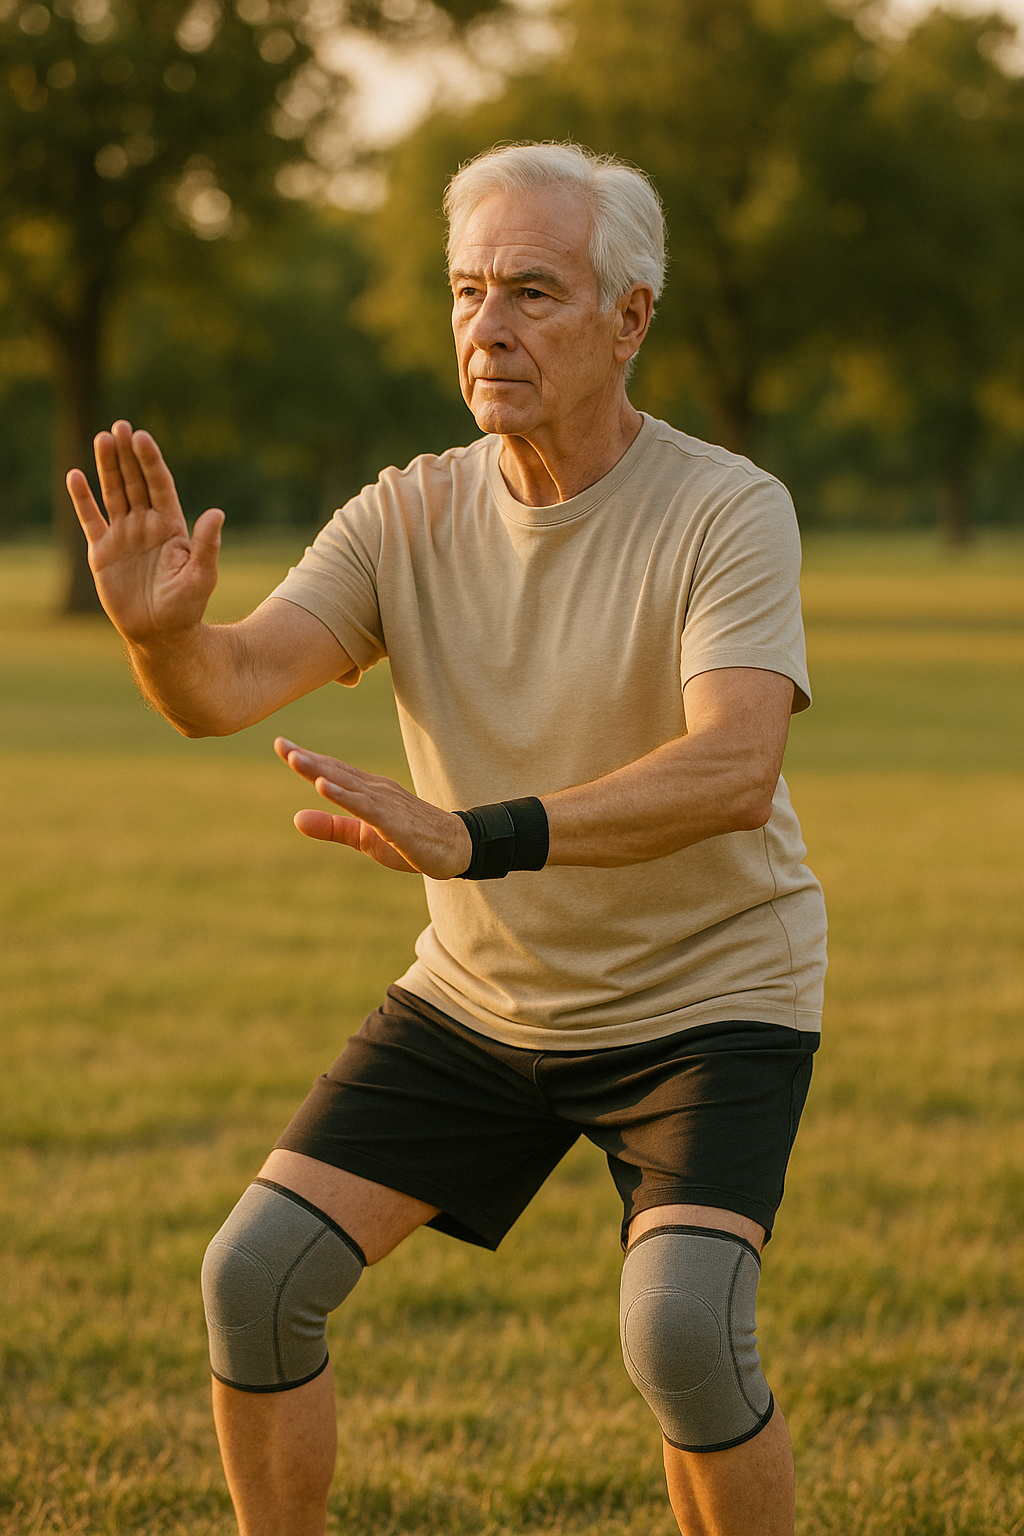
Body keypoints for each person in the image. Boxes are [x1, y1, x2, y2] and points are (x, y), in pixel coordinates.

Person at [68, 141, 826, 1536]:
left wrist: (479, 839)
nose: (488, 327)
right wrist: (157, 635)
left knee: (682, 1335)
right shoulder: (407, 511)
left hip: (708, 1001)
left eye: (533, 292)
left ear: (630, 317)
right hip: (484, 998)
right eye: (469, 291)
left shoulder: (727, 509)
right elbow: (224, 689)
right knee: (256, 1278)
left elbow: (733, 767)